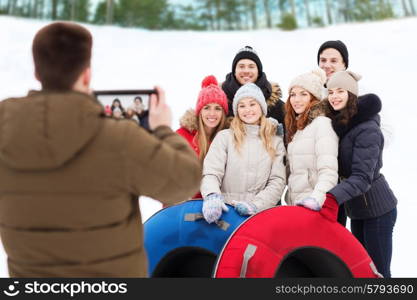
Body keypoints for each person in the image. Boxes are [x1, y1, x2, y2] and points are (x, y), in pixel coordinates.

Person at [0, 22, 202, 277]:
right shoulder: (120, 138)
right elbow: (184, 183)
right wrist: (162, 128)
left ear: (38, 73)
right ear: (86, 74)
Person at [324, 70, 397, 278]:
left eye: (340, 91)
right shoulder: (340, 122)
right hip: (357, 209)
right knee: (362, 271)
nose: (334, 96)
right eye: (330, 92)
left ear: (352, 94)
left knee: (379, 274)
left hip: (378, 210)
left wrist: (333, 196)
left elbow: (363, 177)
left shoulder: (367, 129)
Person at [200, 83, 286, 223]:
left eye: (252, 104)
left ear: (261, 107)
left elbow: (277, 181)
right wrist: (212, 195)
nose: (248, 110)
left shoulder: (275, 141)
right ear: (237, 110)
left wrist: (255, 205)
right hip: (225, 214)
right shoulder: (225, 137)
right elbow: (211, 172)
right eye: (242, 105)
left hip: (258, 217)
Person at [284, 69, 339, 209]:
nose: (296, 99)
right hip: (296, 205)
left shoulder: (322, 124)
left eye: (303, 94)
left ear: (313, 98)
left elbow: (329, 171)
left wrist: (316, 200)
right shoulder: (296, 129)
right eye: (293, 94)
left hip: (313, 206)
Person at [176, 75, 228, 199]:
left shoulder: (227, 138)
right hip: (185, 205)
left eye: (217, 108)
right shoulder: (182, 136)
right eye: (207, 108)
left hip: (218, 205)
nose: (212, 114)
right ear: (199, 111)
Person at [317, 39, 349, 226]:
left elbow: (385, 132)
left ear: (344, 64)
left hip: (345, 178)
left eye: (333, 60)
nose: (327, 65)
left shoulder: (356, 92)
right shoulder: (313, 92)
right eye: (323, 60)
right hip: (317, 178)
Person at [222, 46, 285, 126]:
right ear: (234, 71)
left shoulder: (276, 105)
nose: (246, 71)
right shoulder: (221, 101)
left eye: (251, 67)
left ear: (258, 72)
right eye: (241, 66)